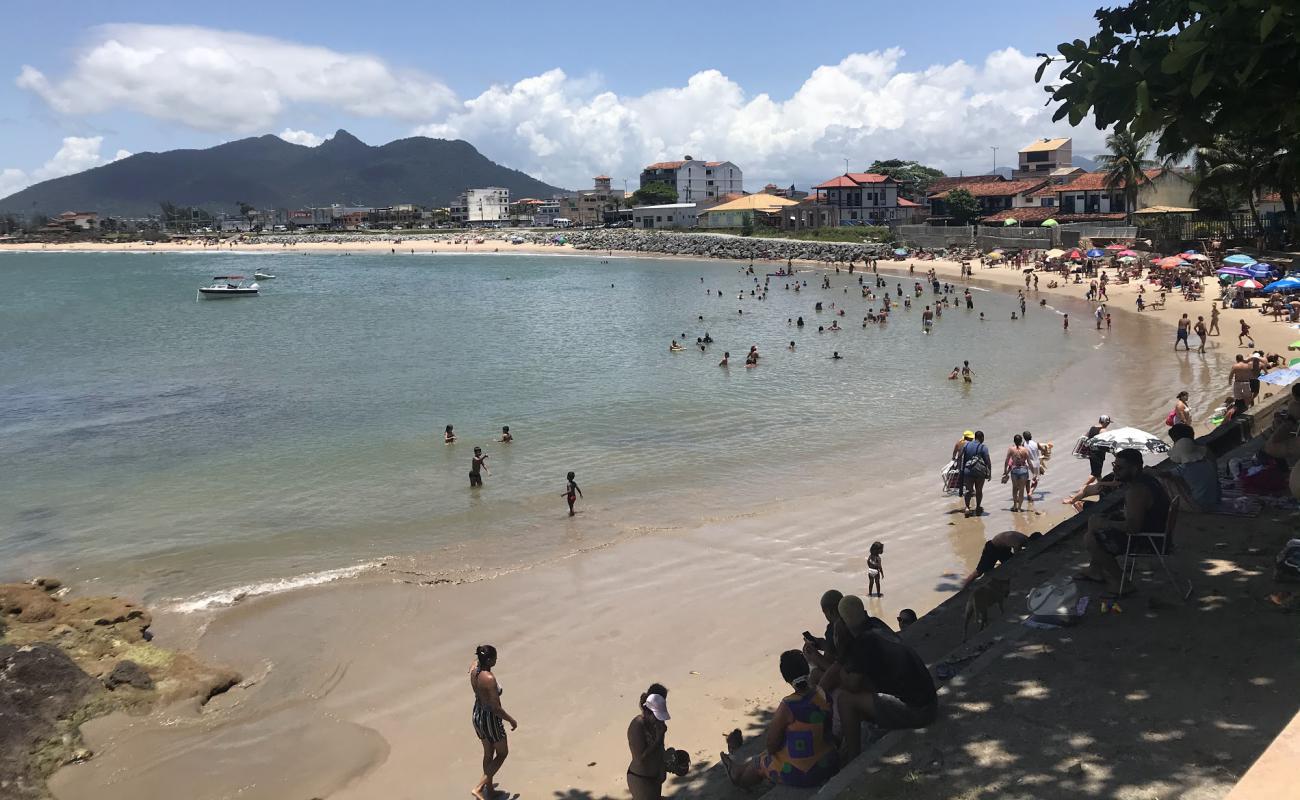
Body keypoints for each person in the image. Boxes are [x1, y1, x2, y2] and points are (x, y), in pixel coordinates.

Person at [720, 651, 838, 789]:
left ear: (786, 678)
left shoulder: (789, 705)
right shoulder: (821, 693)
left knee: (763, 761)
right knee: (771, 753)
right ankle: (739, 770)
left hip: (804, 772)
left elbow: (771, 745)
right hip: (828, 760)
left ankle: (739, 779)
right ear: (807, 669)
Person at [836, 624, 938, 760]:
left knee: (845, 700)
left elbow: (851, 686)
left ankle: (853, 758)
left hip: (920, 712)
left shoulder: (863, 645)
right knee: (863, 688)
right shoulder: (878, 631)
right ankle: (850, 742)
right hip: (929, 702)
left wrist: (840, 664)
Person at [1078, 449, 1171, 595]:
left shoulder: (1137, 491)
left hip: (1149, 539)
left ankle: (1120, 583)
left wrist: (1106, 524)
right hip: (1157, 529)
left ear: (1134, 469)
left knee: (1090, 538)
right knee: (1095, 519)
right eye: (1114, 465)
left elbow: (1133, 528)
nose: (1115, 471)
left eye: (1120, 468)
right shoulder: (1147, 480)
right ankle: (1095, 570)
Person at [470, 645, 517, 800]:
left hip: (477, 715)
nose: (497, 659)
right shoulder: (489, 679)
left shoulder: (474, 668)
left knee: (488, 753)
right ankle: (478, 788)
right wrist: (511, 720)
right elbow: (496, 708)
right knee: (503, 753)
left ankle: (489, 790)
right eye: (495, 657)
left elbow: (473, 664)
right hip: (490, 719)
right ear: (489, 660)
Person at [627, 685, 670, 799]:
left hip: (655, 778)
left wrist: (667, 762)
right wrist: (658, 739)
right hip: (641, 779)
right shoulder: (637, 725)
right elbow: (639, 759)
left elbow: (660, 748)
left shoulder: (658, 721)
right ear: (649, 711)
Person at [1167, 423, 1221, 511]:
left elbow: (1165, 474)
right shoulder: (1206, 456)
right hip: (1216, 497)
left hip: (1200, 505)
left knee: (1165, 480)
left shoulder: (1184, 468)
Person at [964, 530, 1043, 586]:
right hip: (992, 548)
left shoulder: (1025, 539)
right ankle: (963, 589)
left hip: (1004, 549)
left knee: (1010, 566)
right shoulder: (1018, 542)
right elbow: (1018, 558)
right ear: (1032, 541)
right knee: (978, 572)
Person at [959, 430, 992, 517]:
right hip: (979, 472)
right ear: (981, 438)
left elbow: (960, 457)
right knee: (979, 490)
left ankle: (967, 507)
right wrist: (989, 472)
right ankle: (978, 507)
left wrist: (960, 469)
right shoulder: (983, 447)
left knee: (969, 490)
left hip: (968, 471)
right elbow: (987, 461)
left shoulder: (966, 445)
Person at [1003, 434, 1034, 513]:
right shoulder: (1025, 450)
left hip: (1015, 471)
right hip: (1023, 471)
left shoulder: (1011, 449)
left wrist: (1005, 471)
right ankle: (1019, 508)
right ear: (1021, 441)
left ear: (1014, 441)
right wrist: (1034, 473)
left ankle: (1015, 505)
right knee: (1021, 489)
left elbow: (1007, 461)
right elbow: (1029, 462)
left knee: (1014, 488)